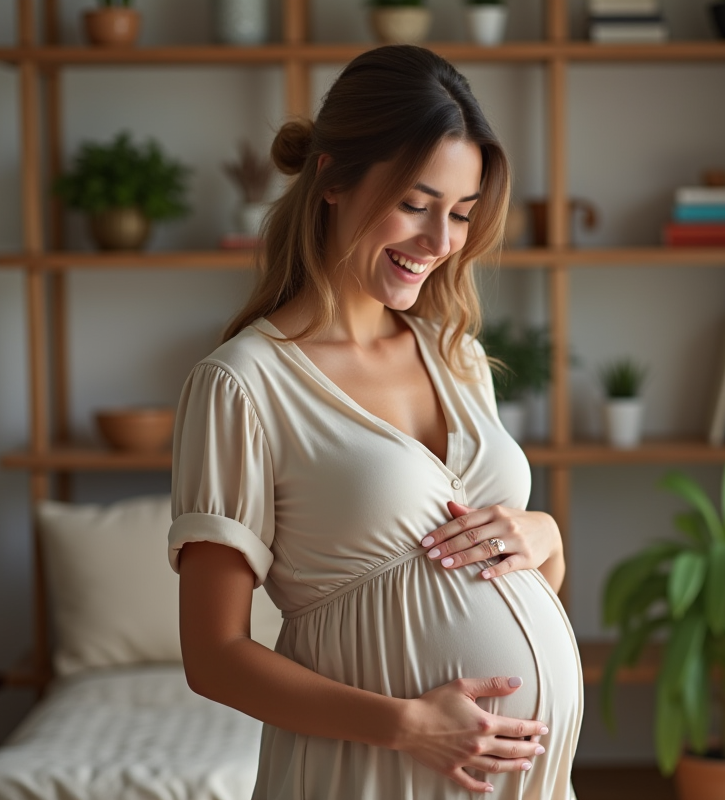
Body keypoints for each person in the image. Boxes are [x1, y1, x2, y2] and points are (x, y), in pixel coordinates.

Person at [168, 45, 583, 799]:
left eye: (460, 214)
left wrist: (547, 538)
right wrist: (406, 726)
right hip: (370, 772)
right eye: (416, 204)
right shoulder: (241, 385)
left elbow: (521, 583)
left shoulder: (456, 355)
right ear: (333, 177)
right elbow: (214, 654)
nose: (439, 243)